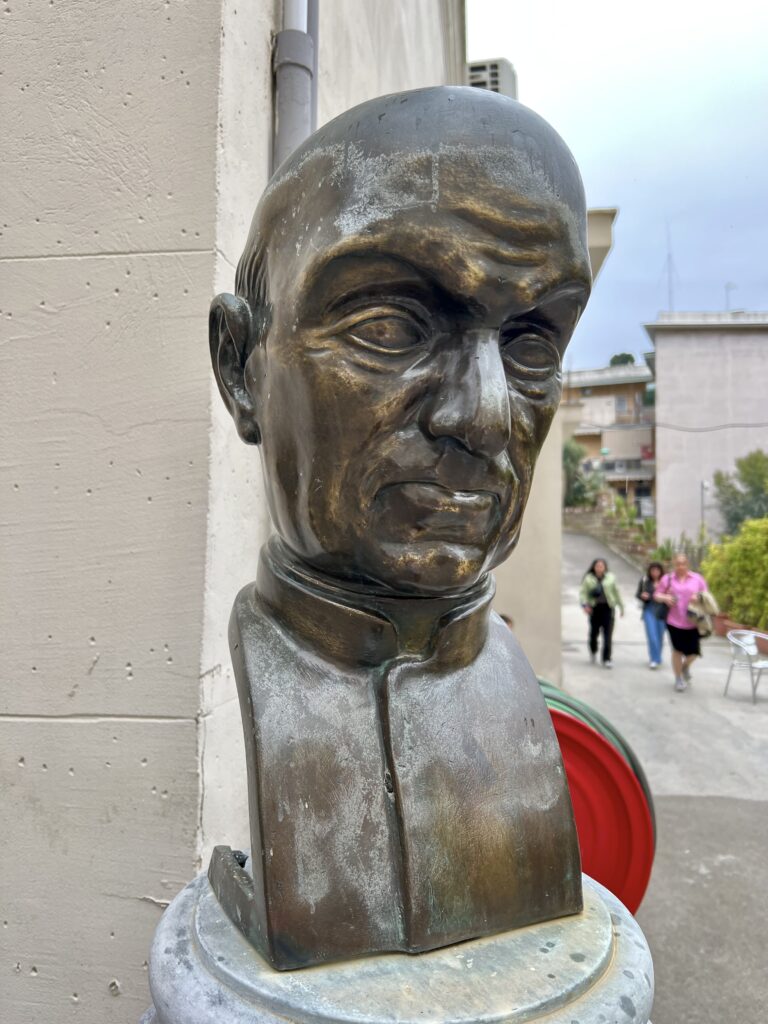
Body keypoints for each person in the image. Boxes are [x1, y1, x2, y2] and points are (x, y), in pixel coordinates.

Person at [207, 86, 592, 967]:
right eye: (390, 327)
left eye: (531, 342)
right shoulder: (273, 677)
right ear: (240, 367)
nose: (487, 417)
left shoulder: (512, 700)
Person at [654, 553, 708, 692]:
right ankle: (678, 679)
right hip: (673, 621)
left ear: (687, 565)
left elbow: (706, 596)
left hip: (693, 621)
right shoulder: (668, 578)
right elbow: (656, 595)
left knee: (694, 652)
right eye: (677, 564)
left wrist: (699, 596)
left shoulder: (697, 579)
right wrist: (665, 597)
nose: (680, 566)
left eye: (683, 563)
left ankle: (684, 667)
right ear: (674, 564)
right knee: (677, 650)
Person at [579, 558, 624, 668]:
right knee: (594, 633)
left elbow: (616, 592)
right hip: (594, 608)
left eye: (601, 566)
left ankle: (607, 658)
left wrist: (621, 607)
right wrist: (585, 605)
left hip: (608, 608)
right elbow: (583, 593)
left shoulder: (610, 578)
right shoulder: (588, 579)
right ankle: (593, 650)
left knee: (608, 635)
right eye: (597, 566)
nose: (599, 568)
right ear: (594, 567)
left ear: (605, 567)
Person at [636, 561, 666, 669]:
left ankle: (657, 656)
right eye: (653, 570)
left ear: (661, 571)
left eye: (657, 570)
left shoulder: (666, 581)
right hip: (649, 610)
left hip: (662, 611)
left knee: (660, 636)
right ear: (650, 571)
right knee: (652, 635)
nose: (655, 572)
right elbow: (638, 594)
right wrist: (642, 595)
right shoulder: (645, 581)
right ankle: (654, 659)